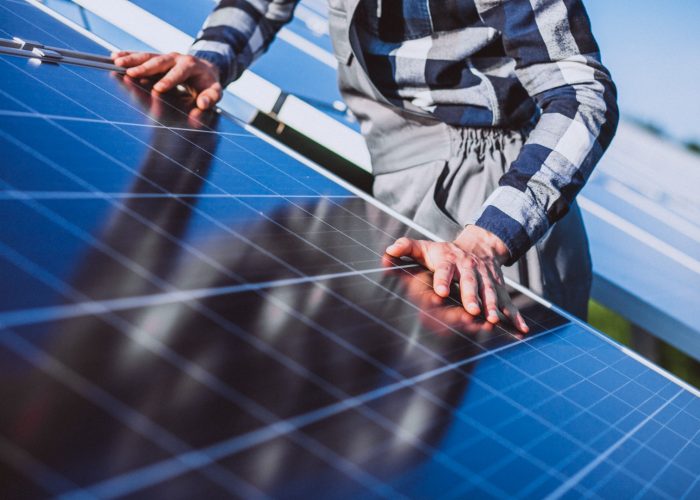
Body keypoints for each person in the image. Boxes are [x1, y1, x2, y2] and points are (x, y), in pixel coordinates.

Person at [112, 0, 618, 333]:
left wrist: (488, 238)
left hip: (492, 204)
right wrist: (213, 57)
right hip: (398, 183)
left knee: (502, 435)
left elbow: (582, 95)